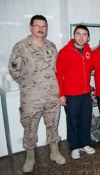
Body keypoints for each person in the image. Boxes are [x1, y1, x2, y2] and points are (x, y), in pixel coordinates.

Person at [8, 15, 66, 173]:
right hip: (31, 98)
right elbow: (14, 70)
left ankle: (54, 152)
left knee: (53, 125)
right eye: (37, 26)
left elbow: (57, 69)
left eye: (44, 26)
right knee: (30, 127)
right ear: (30, 27)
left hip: (52, 95)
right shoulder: (21, 47)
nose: (41, 29)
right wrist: (27, 84)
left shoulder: (51, 46)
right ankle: (30, 156)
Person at [56, 24, 95, 159]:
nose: (81, 37)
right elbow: (59, 74)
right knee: (73, 122)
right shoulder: (65, 51)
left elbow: (91, 67)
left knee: (85, 120)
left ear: (88, 37)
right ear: (74, 36)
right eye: (78, 34)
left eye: (84, 34)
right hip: (71, 95)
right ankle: (75, 146)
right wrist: (61, 94)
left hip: (85, 94)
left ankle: (84, 143)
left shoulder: (89, 51)